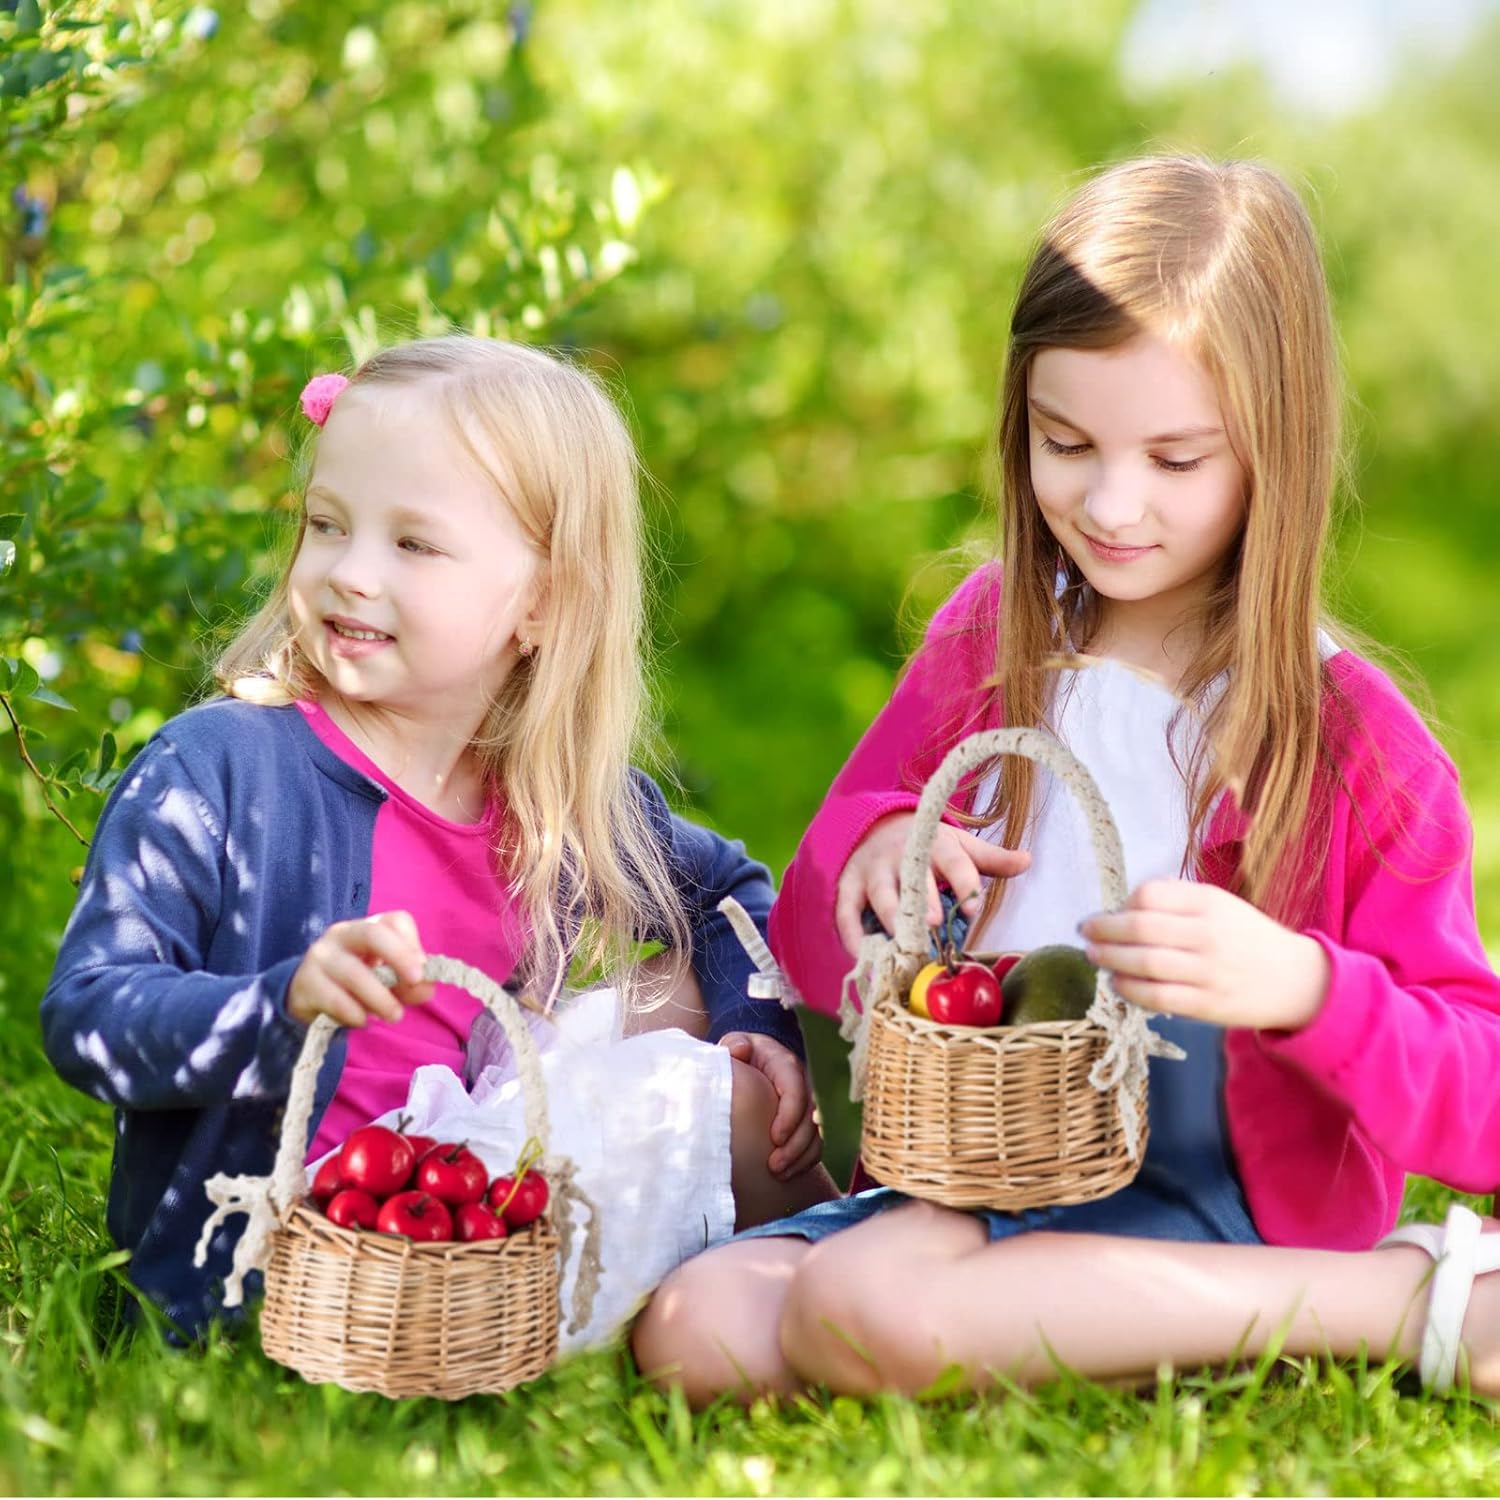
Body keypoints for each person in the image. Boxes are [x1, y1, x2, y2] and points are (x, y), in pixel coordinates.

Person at [632, 155, 1500, 1403]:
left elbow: (1479, 1089)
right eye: (1067, 441)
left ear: (1277, 451)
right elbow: (823, 941)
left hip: (1201, 1202)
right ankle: (947, 1306)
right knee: (697, 1328)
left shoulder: (1351, 743)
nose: (1111, 502)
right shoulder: (997, 636)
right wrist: (878, 852)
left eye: (1177, 459)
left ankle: (1404, 1298)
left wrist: (1305, 988)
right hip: (984, 1158)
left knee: (857, 1307)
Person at [40, 335, 836, 1343]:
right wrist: (277, 1005)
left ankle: (842, 1254)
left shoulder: (547, 795)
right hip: (293, 1250)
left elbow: (731, 895)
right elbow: (88, 1017)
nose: (350, 574)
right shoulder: (221, 766)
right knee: (727, 1111)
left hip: (462, 1175)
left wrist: (754, 1020)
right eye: (328, 526)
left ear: (542, 603)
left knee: (704, 1014)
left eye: (413, 544)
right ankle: (837, 1273)